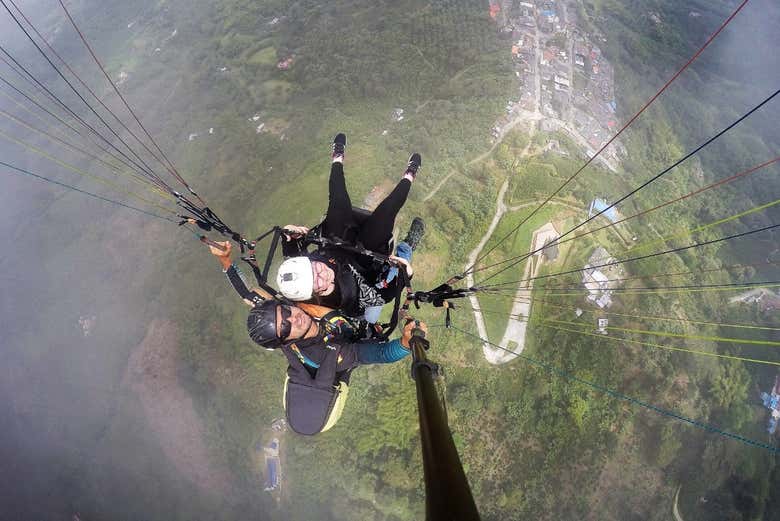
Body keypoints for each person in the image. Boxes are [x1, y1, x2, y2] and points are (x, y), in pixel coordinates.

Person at [207, 241, 428, 434]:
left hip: (342, 315)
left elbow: (249, 294)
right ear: (285, 342)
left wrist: (226, 261)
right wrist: (406, 344)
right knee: (387, 288)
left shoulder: (291, 310)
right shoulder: (330, 356)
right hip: (360, 328)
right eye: (285, 328)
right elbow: (378, 353)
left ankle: (396, 256)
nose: (292, 318)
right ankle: (407, 249)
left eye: (285, 312)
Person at [276, 133, 425, 323]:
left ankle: (337, 156)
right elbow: (383, 296)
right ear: (314, 293)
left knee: (337, 199)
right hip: (365, 259)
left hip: (335, 243)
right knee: (388, 212)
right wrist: (406, 275)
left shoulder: (299, 274)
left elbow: (291, 254)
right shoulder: (347, 297)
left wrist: (289, 236)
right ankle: (410, 177)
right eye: (318, 281)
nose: (321, 271)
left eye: (314, 267)